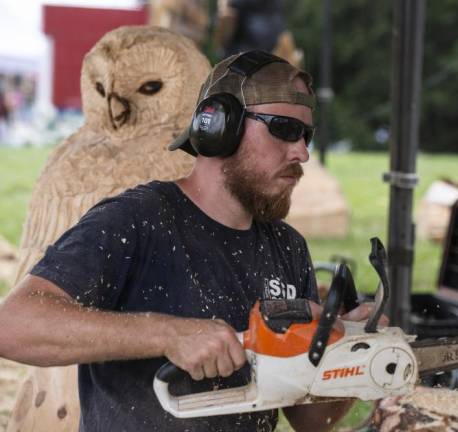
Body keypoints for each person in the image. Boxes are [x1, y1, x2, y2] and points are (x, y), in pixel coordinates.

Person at [0, 51, 376, 432]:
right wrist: (169, 334)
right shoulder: (136, 220)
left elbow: (309, 420)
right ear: (219, 125)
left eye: (306, 134)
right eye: (283, 129)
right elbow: (13, 325)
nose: (302, 152)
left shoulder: (287, 246)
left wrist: (347, 356)